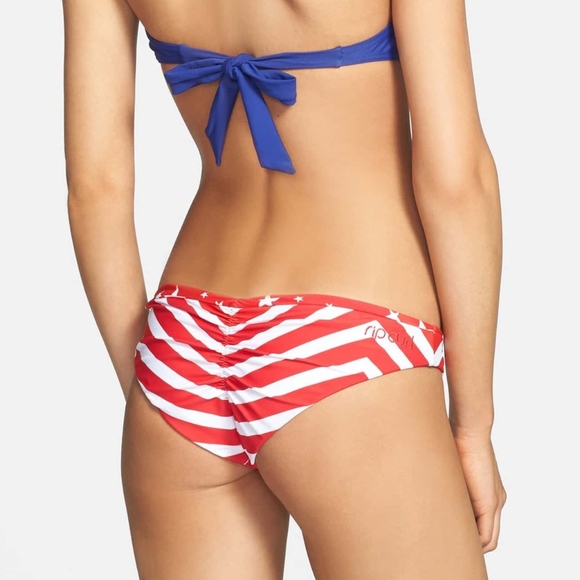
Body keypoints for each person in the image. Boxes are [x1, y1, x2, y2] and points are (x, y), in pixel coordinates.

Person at [62, 0, 507, 577]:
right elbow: (456, 181)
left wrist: (159, 389)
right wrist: (473, 426)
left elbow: (95, 189)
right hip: (348, 341)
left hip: (183, 341)